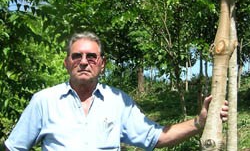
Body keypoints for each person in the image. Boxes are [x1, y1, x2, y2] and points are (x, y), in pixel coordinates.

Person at [5, 31, 228, 151]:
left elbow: (156, 137)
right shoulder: (44, 101)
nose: (84, 62)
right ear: (67, 62)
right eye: (77, 56)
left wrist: (199, 122)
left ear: (102, 63)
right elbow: (13, 147)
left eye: (91, 56)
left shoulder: (118, 101)